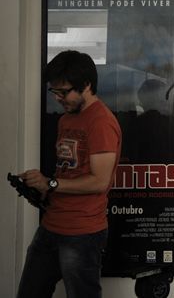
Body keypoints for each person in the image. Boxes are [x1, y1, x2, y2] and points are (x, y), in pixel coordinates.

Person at [17, 50, 122, 298]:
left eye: (63, 92)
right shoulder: (66, 119)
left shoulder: (101, 122)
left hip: (82, 232)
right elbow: (69, 171)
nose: (58, 98)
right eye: (54, 92)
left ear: (86, 85)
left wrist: (50, 183)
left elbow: (99, 181)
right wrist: (43, 192)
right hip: (52, 225)